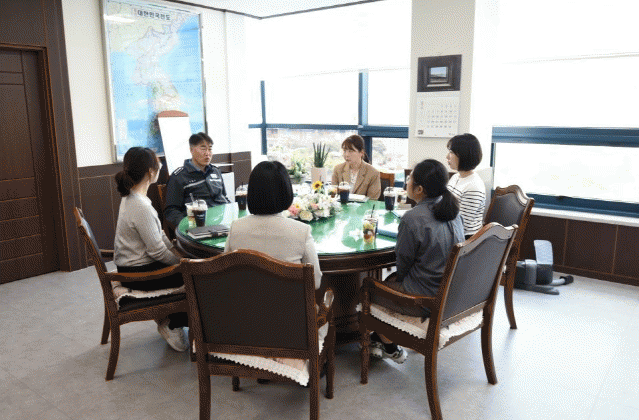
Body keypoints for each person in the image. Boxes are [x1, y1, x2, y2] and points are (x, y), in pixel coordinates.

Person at [368, 159, 464, 363]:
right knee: (390, 281)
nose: (406, 182)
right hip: (452, 294)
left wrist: (398, 281)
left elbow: (403, 265)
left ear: (419, 189)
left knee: (369, 289)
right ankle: (378, 338)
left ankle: (388, 345)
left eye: (409, 179)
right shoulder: (454, 211)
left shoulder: (412, 218)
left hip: (426, 299)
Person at [114, 147, 188, 352]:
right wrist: (182, 263)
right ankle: (172, 324)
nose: (160, 165)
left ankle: (168, 316)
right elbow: (157, 252)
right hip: (136, 274)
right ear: (150, 172)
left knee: (187, 268)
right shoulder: (141, 206)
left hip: (130, 267)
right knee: (195, 277)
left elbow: (159, 236)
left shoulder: (134, 198)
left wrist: (176, 252)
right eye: (158, 163)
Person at [224, 161, 322, 289]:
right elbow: (315, 282)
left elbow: (226, 275)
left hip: (245, 301)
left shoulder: (236, 227)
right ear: (286, 191)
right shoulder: (301, 231)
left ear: (252, 192)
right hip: (288, 302)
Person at [164, 132, 230, 228]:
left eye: (210, 149)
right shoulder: (179, 176)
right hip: (200, 225)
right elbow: (171, 211)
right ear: (191, 150)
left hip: (222, 222)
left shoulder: (216, 171)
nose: (207, 153)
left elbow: (224, 197)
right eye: (203, 149)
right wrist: (187, 226)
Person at [446, 133, 486, 238]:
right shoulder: (456, 177)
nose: (447, 156)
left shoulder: (474, 186)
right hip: (452, 231)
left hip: (465, 240)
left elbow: (462, 225)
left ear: (463, 155)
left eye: (451, 152)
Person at [331, 134, 381, 200]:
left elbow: (372, 200)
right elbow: (333, 196)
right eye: (345, 151)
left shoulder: (373, 173)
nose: (346, 155)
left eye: (351, 151)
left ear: (361, 153)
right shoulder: (338, 169)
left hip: (363, 207)